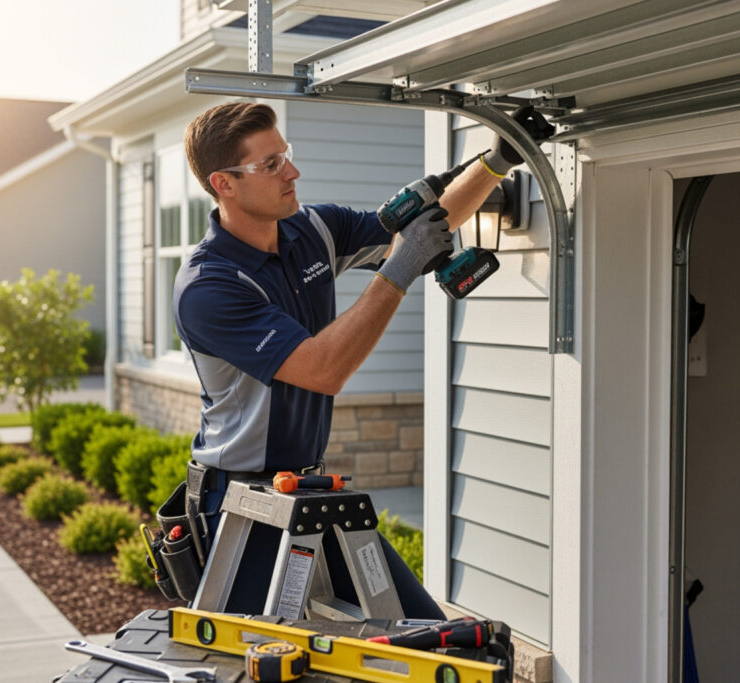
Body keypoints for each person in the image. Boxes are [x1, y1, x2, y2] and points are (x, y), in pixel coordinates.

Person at [172, 100, 541, 617]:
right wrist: (399, 269)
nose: (292, 172)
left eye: (287, 155)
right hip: (242, 504)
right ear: (224, 184)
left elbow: (425, 227)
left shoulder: (313, 229)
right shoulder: (209, 286)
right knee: (262, 660)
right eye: (271, 164)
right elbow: (323, 370)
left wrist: (496, 161)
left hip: (308, 488)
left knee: (424, 632)